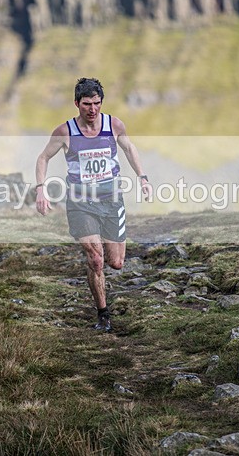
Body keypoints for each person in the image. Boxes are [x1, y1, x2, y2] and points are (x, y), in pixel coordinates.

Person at [35, 77, 153, 332]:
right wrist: (40, 189)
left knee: (116, 263)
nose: (92, 109)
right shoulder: (65, 132)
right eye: (87, 104)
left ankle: (103, 257)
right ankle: (103, 314)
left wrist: (142, 178)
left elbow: (129, 149)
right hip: (81, 202)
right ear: (77, 103)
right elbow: (43, 157)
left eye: (97, 103)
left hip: (111, 200)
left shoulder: (114, 125)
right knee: (96, 259)